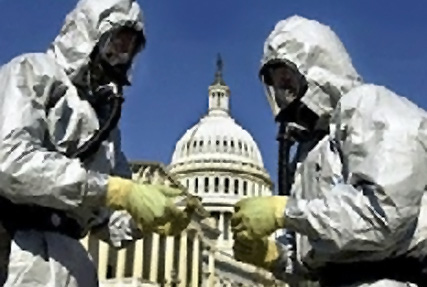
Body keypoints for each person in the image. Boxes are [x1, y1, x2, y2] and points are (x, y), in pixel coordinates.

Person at [0, 0, 199, 286]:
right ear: (89, 31)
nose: (120, 55)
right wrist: (114, 190)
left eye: (129, 47)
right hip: (16, 249)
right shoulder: (32, 71)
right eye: (115, 42)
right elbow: (10, 162)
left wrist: (149, 218)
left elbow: (108, 223)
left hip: (71, 262)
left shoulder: (104, 119)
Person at [231, 15, 427, 287]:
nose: (283, 90)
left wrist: (285, 212)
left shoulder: (369, 106)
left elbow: (383, 216)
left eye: (287, 77)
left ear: (315, 67)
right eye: (276, 82)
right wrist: (277, 257)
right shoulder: (308, 152)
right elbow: (323, 251)